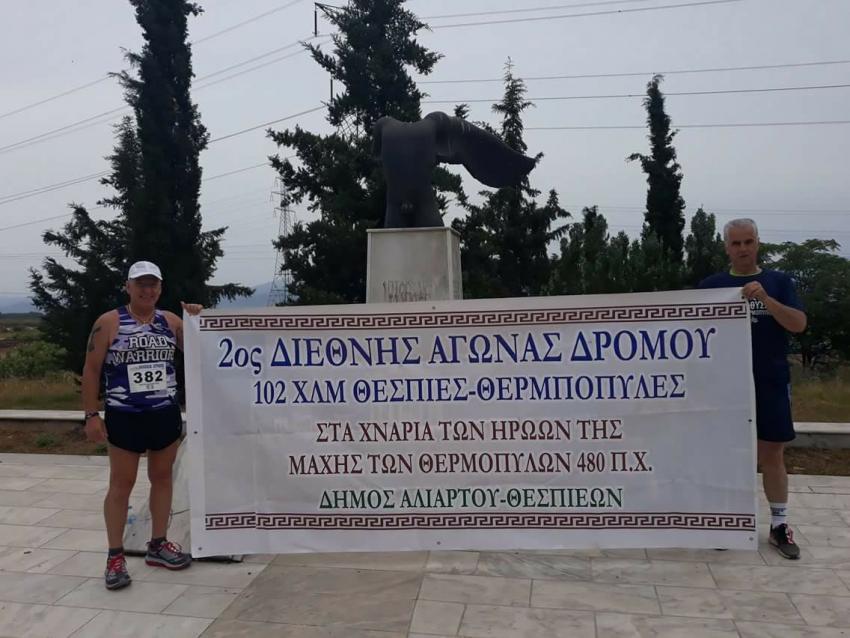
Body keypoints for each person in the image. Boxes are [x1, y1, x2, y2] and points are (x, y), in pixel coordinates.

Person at [82, 260, 203, 589]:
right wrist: (91, 415)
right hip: (125, 415)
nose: (147, 290)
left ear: (160, 288)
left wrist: (197, 319)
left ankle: (158, 544)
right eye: (141, 284)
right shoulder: (109, 322)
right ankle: (115, 556)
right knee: (121, 484)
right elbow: (91, 369)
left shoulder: (171, 321)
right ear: (128, 287)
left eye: (153, 284)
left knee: (162, 479)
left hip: (163, 413)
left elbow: (203, 351)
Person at [699, 219, 807, 560]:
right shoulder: (712, 286)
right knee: (726, 453)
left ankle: (779, 525)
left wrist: (766, 299)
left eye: (748, 242)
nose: (743, 248)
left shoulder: (779, 282)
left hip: (770, 380)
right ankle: (727, 521)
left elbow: (799, 324)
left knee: (772, 453)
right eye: (736, 243)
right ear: (726, 247)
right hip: (725, 384)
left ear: (758, 243)